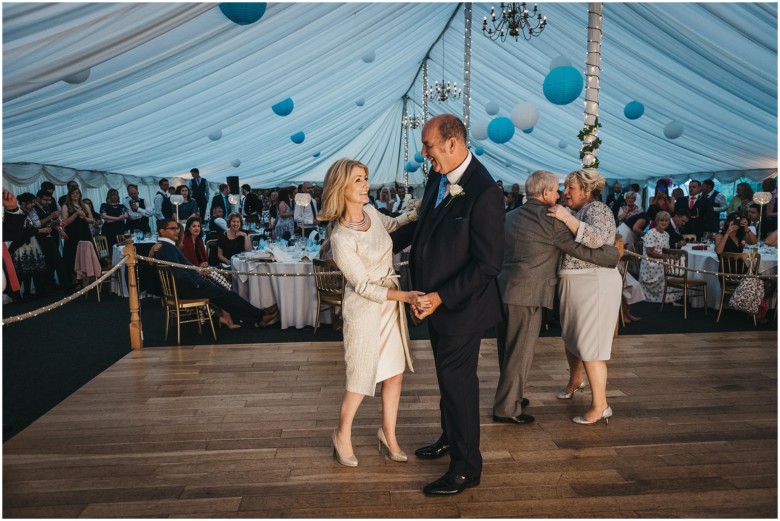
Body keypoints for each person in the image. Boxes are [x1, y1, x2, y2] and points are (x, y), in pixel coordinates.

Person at [391, 114, 504, 496]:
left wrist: (440, 297)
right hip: (434, 304)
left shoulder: (485, 191)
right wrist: (375, 240)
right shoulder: (439, 177)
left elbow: (488, 264)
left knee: (458, 385)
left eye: (428, 146)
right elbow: (422, 228)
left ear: (452, 144)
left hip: (462, 307)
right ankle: (447, 437)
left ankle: (466, 467)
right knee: (447, 380)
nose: (424, 153)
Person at [318, 158, 422, 468]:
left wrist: (415, 214)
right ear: (343, 188)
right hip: (365, 310)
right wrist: (404, 295)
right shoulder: (340, 237)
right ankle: (341, 434)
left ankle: (387, 433)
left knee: (395, 374)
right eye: (359, 181)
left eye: (366, 178)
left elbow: (390, 225)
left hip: (389, 307)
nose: (367, 185)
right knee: (360, 377)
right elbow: (361, 286)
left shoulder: (372, 213)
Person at [494, 170, 619, 427]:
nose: (560, 195)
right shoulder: (550, 219)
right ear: (545, 193)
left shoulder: (508, 217)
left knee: (506, 349)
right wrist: (612, 256)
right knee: (520, 352)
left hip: (503, 289)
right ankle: (507, 408)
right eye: (556, 191)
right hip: (528, 294)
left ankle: (511, 396)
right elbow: (580, 249)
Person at [547, 169, 622, 425]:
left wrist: (566, 218)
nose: (564, 192)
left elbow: (598, 238)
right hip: (574, 283)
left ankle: (601, 406)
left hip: (594, 282)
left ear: (587, 191)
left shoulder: (597, 208)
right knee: (571, 337)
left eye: (570, 188)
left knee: (591, 345)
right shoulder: (577, 211)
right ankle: (575, 381)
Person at [153, 218, 278, 328]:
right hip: (189, 287)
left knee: (225, 293)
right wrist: (196, 283)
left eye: (177, 228)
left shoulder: (164, 246)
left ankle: (260, 314)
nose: (177, 231)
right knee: (228, 295)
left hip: (190, 284)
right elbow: (178, 272)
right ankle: (260, 317)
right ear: (162, 231)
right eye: (173, 229)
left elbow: (183, 267)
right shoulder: (167, 247)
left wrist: (198, 271)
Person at [9, 193, 48, 299]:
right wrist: (40, 230)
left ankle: (26, 293)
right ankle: (18, 295)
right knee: (22, 271)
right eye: (31, 202)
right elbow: (23, 231)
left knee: (28, 270)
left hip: (29, 243)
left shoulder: (25, 213)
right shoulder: (18, 214)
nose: (33, 204)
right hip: (22, 245)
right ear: (23, 203)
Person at [60, 186, 95, 289]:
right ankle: (76, 280)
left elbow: (92, 220)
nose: (75, 195)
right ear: (69, 195)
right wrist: (76, 214)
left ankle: (87, 279)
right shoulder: (66, 206)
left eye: (77, 193)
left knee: (85, 256)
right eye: (73, 193)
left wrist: (84, 217)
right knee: (73, 257)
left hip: (84, 233)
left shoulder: (85, 206)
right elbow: (63, 223)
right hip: (72, 234)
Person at [638, 211, 676, 303]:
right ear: (657, 221)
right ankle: (664, 298)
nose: (664, 222)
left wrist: (673, 256)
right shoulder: (651, 233)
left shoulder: (666, 234)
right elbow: (649, 252)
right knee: (669, 268)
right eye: (661, 220)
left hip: (662, 259)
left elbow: (667, 250)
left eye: (666, 220)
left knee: (678, 265)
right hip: (651, 262)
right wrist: (665, 257)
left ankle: (671, 297)